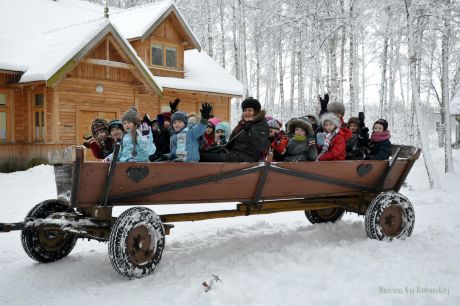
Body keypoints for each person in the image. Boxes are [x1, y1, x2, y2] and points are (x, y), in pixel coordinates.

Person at [200, 97, 269, 162]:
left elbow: (261, 145)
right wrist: (220, 147)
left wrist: (249, 130)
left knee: (205, 157)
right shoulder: (242, 124)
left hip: (247, 157)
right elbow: (232, 142)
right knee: (203, 152)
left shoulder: (261, 125)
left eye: (250, 110)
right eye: (245, 110)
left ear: (256, 112)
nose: (247, 113)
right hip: (234, 153)